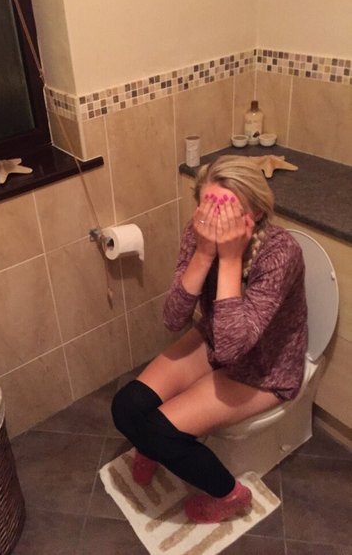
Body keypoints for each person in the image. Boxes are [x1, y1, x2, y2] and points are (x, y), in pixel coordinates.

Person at [111, 155, 307, 524]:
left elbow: (235, 349)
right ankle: (152, 445)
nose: (214, 222)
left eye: (226, 213)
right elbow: (173, 319)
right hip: (216, 335)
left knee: (160, 432)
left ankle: (232, 496)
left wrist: (230, 259)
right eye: (207, 209)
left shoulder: (281, 254)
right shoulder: (198, 232)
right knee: (127, 407)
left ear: (255, 213)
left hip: (265, 366)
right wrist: (204, 253)